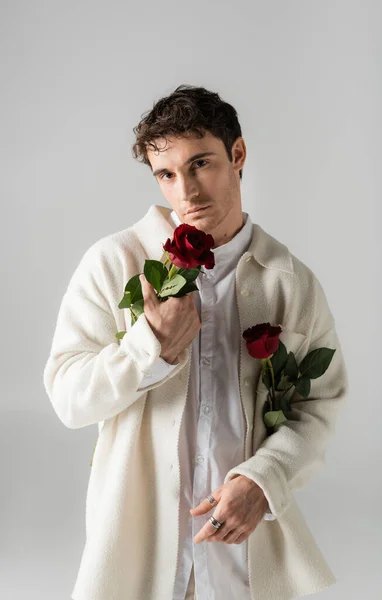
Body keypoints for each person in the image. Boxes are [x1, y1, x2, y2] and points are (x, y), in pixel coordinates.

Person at [43, 84, 349, 600]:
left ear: (238, 154)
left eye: (200, 163)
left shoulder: (290, 281)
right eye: (166, 173)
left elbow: (320, 406)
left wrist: (263, 480)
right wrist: (151, 348)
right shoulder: (114, 263)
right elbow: (69, 398)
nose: (185, 190)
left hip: (245, 563)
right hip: (137, 557)